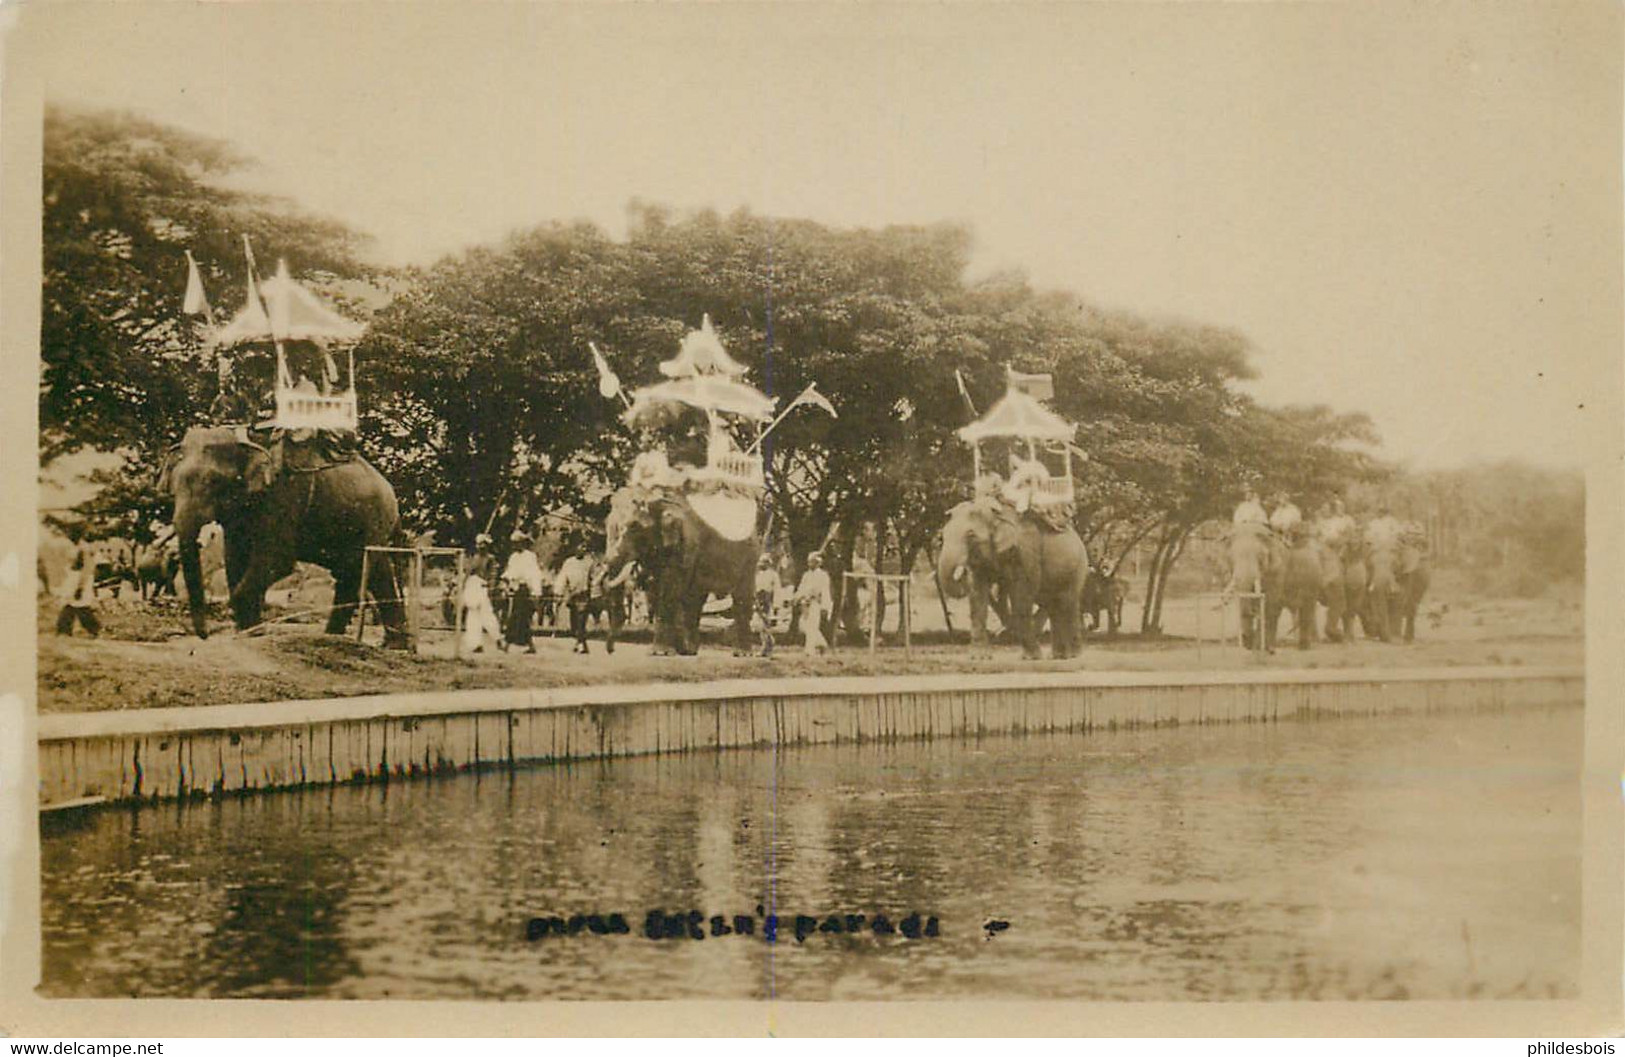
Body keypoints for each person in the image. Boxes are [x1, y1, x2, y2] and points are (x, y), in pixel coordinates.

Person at [501, 529, 543, 654]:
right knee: (519, 618)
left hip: (526, 590)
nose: (515, 545)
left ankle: (508, 644)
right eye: (513, 543)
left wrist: (535, 591)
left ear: (522, 543)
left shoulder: (530, 556)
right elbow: (510, 572)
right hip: (516, 589)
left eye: (517, 543)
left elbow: (534, 574)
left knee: (519, 617)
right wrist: (507, 582)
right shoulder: (513, 557)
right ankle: (528, 645)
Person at [55, 534, 101, 638]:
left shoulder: (85, 549)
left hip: (80, 579)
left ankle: (92, 628)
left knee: (77, 605)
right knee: (74, 605)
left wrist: (80, 587)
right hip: (77, 578)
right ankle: (65, 630)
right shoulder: (81, 547)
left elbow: (87, 569)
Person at [795, 551, 833, 656]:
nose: (810, 564)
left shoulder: (823, 575)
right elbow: (801, 588)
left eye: (812, 562)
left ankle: (810, 650)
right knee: (803, 625)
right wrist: (797, 598)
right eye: (809, 562)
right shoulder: (806, 575)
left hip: (816, 602)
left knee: (812, 625)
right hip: (805, 602)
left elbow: (825, 591)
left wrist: (825, 606)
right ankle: (822, 644)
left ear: (818, 563)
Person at [558, 545, 594, 655]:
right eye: (580, 547)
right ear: (575, 549)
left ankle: (581, 645)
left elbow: (592, 578)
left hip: (584, 594)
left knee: (581, 620)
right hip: (572, 594)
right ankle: (580, 643)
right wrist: (559, 591)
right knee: (574, 623)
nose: (582, 550)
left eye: (584, 547)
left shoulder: (589, 563)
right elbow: (563, 577)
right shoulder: (569, 562)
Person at [754, 554, 781, 658]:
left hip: (768, 601)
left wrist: (776, 606)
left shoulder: (773, 575)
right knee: (760, 626)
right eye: (760, 562)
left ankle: (769, 648)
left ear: (768, 563)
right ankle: (764, 647)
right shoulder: (758, 575)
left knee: (767, 625)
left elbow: (777, 590)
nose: (761, 564)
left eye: (764, 562)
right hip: (759, 600)